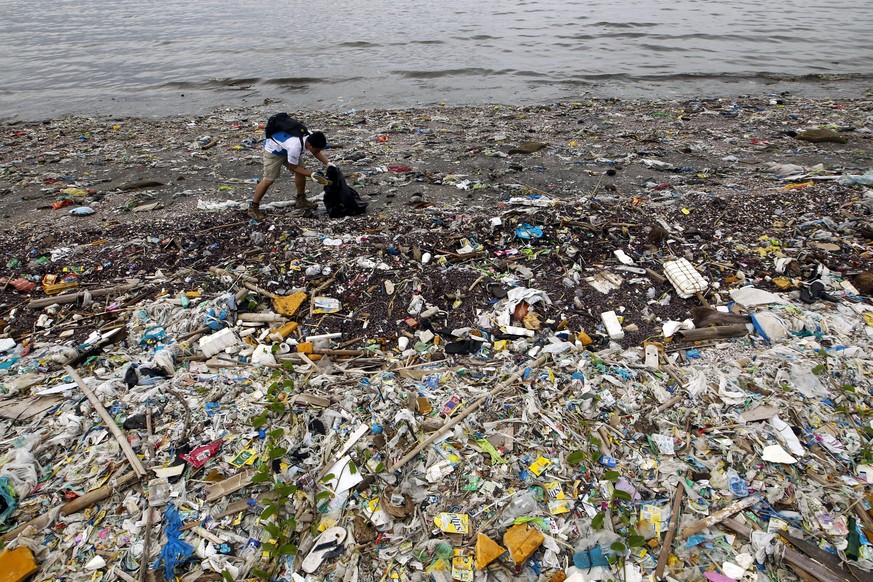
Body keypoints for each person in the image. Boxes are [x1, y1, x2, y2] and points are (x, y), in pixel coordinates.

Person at [247, 115, 332, 221]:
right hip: (274, 152)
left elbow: (316, 152)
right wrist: (312, 174)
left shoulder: (310, 136)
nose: (317, 151)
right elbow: (294, 167)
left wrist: (329, 164)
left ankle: (301, 200)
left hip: (286, 149)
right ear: (309, 145)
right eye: (315, 149)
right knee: (268, 180)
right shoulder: (295, 146)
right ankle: (253, 207)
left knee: (302, 172)